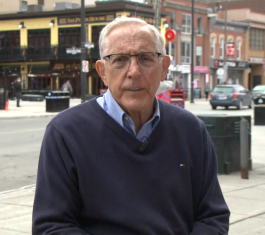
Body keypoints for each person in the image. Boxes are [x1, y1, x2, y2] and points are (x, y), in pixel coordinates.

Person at [32, 17, 230, 235]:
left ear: (164, 68)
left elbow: (212, 217)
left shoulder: (191, 131)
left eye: (146, 59)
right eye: (120, 60)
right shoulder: (65, 133)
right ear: (102, 72)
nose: (134, 71)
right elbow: (51, 227)